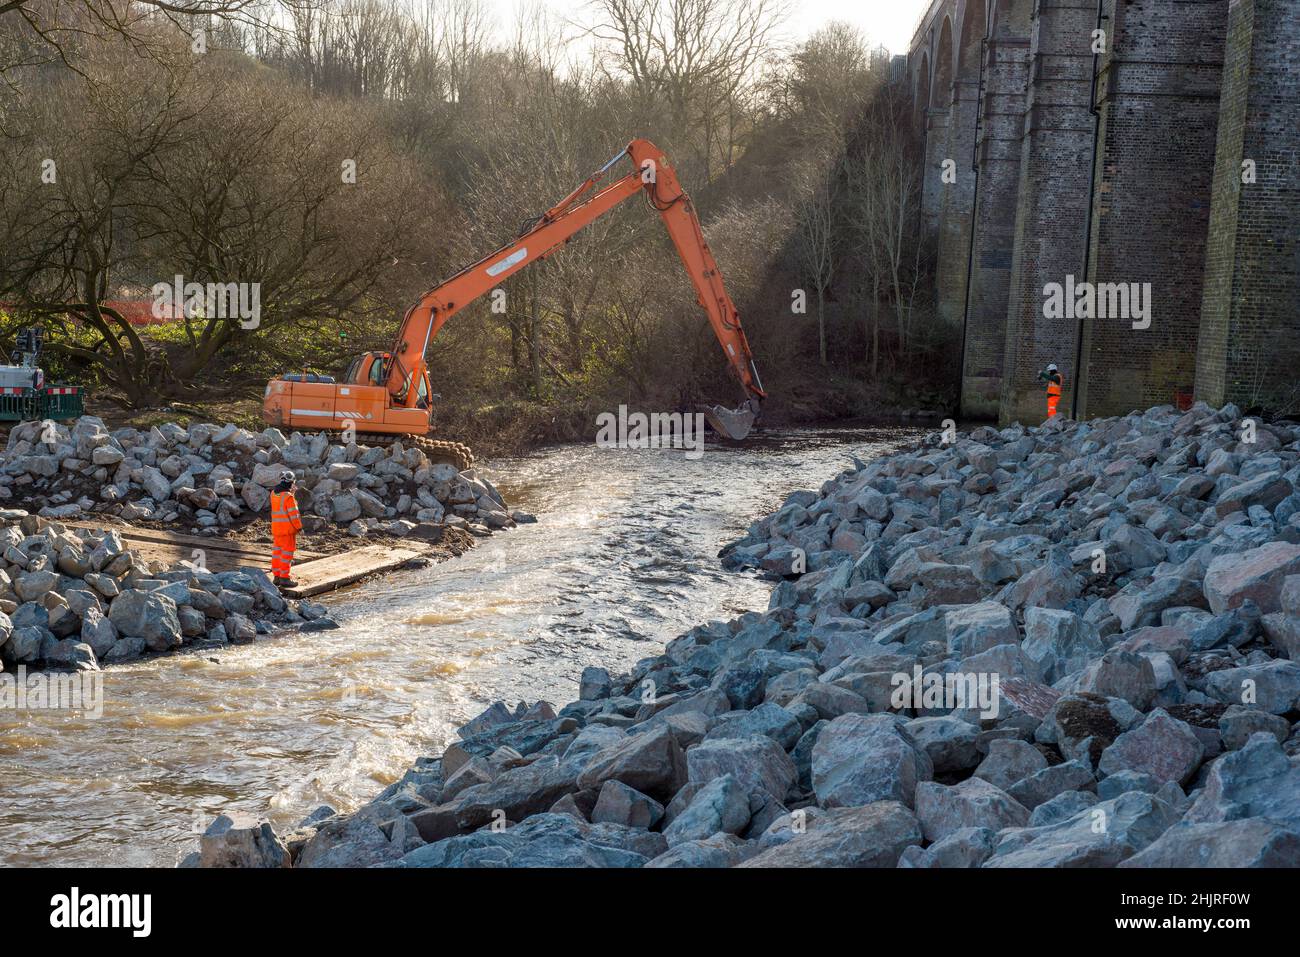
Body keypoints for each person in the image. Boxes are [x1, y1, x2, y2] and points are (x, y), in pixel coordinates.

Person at [269, 470, 304, 588]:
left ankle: (277, 577)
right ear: (291, 482)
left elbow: (281, 508)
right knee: (286, 555)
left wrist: (292, 494)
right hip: (287, 531)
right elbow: (293, 515)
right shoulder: (288, 497)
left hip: (276, 529)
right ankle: (284, 578)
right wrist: (299, 528)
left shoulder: (273, 493)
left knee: (277, 553)